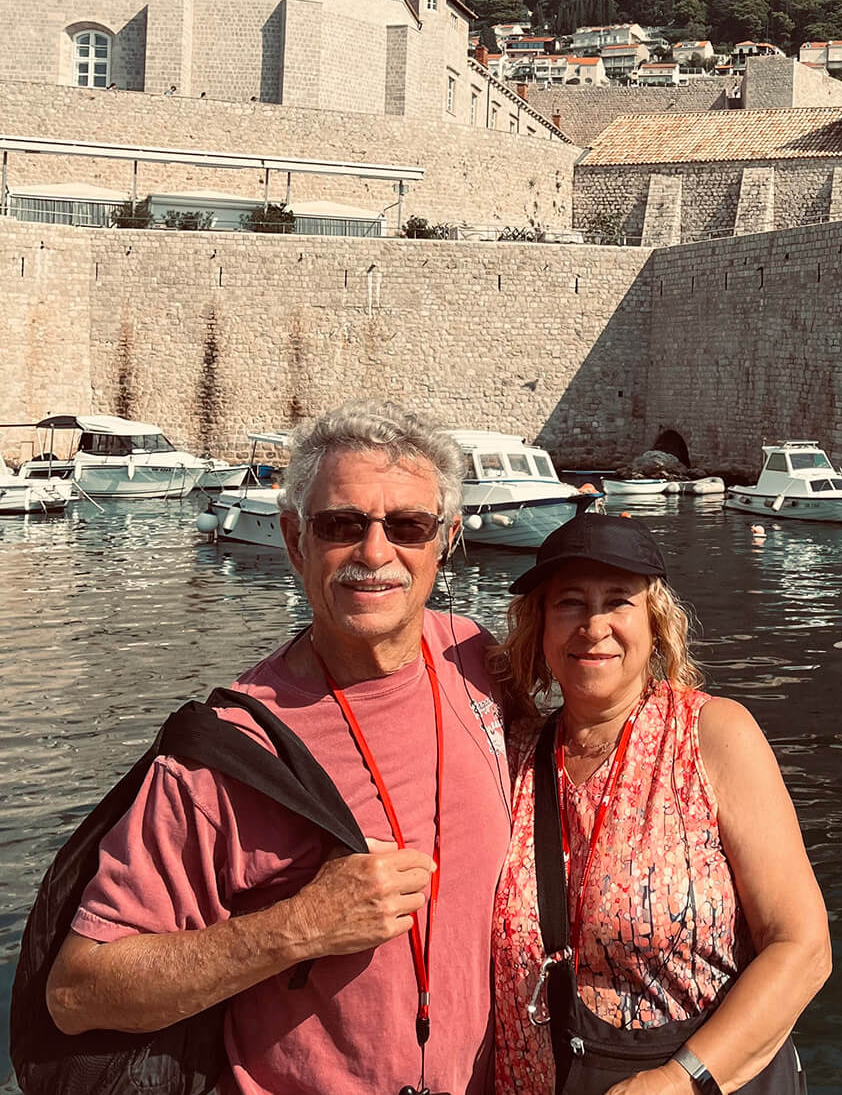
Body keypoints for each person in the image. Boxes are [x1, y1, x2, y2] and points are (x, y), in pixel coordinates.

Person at [45, 400, 512, 1095]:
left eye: (408, 526)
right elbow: (78, 993)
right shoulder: (227, 752)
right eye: (341, 525)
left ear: (444, 541)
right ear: (295, 540)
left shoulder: (474, 656)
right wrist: (297, 928)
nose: (375, 554)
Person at [492, 514, 830, 1094]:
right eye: (569, 603)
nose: (593, 625)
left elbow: (802, 946)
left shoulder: (712, 736)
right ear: (540, 627)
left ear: (654, 623)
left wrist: (680, 1079)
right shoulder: (511, 753)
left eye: (618, 601)